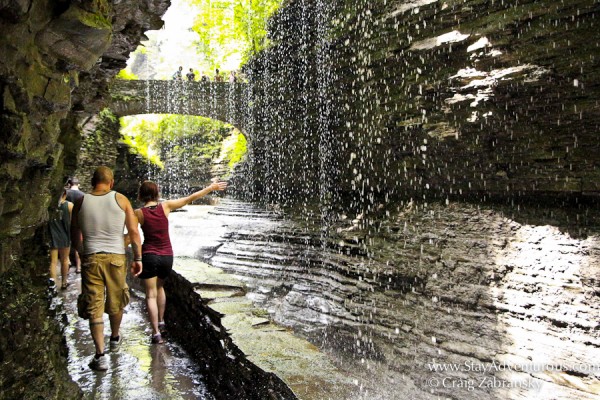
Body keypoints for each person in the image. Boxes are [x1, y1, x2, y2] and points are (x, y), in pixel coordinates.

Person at [134, 180, 227, 344]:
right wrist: (211, 188)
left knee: (150, 295)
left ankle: (156, 333)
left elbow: (132, 237)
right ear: (157, 194)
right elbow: (191, 198)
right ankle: (162, 321)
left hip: (149, 255)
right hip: (166, 256)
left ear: (141, 195)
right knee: (160, 287)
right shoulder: (166, 206)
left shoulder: (138, 213)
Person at [71, 166, 143, 371]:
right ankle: (114, 337)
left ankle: (100, 355)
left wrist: (81, 251)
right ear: (111, 183)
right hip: (117, 258)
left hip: (91, 257)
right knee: (116, 299)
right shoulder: (121, 199)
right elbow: (134, 232)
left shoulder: (81, 201)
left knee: (94, 304)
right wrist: (138, 258)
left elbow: (74, 233)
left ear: (93, 182)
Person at [48, 189, 73, 290]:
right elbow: (73, 222)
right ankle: (64, 282)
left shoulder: (50, 206)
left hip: (52, 235)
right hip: (65, 235)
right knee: (65, 260)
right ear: (65, 194)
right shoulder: (70, 205)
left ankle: (53, 285)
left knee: (53, 262)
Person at [66, 177, 84, 273]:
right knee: (78, 243)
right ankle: (78, 267)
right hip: (78, 221)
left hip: (66, 220)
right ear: (79, 185)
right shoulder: (83, 195)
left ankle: (67, 261)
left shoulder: (66, 194)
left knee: (67, 242)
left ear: (69, 184)